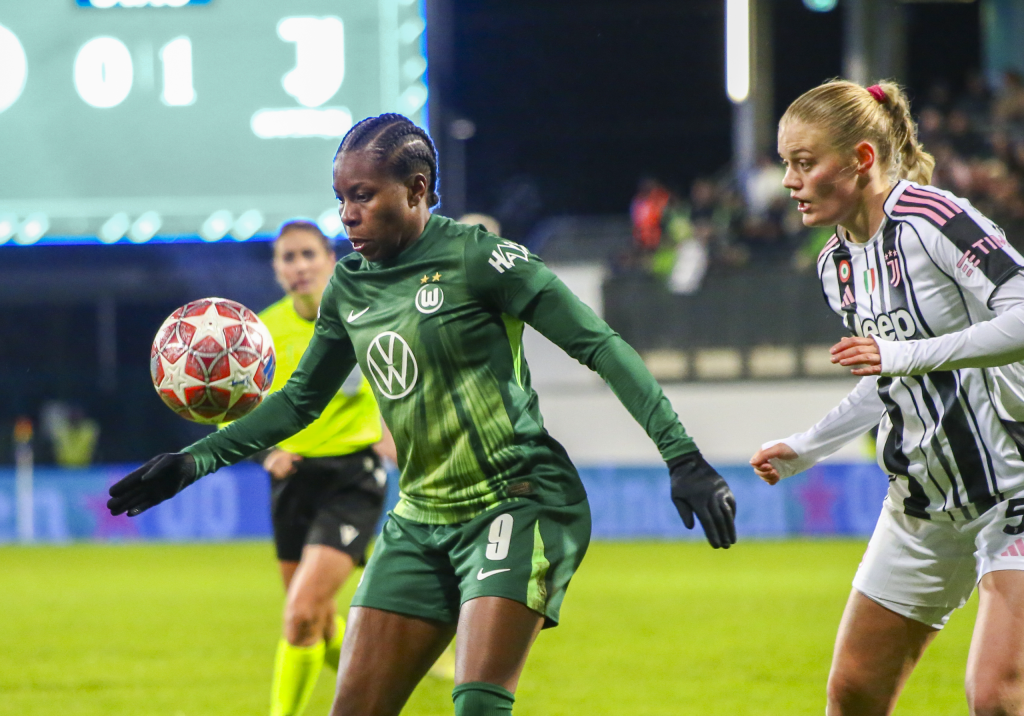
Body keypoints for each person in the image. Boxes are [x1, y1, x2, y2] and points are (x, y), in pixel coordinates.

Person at [108, 113, 737, 716]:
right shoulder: (348, 286)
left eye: (362, 195)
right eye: (340, 198)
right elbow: (300, 401)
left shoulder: (480, 259)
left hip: (515, 503)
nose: (347, 214)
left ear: (416, 190)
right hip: (420, 520)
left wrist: (681, 455)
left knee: (478, 702)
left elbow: (599, 345)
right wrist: (192, 462)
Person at [750, 79, 1024, 716]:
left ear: (862, 158)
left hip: (1013, 489)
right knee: (853, 694)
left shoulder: (934, 219)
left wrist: (905, 354)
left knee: (995, 696)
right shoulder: (835, 264)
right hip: (924, 504)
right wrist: (806, 447)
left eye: (804, 162)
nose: (789, 182)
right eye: (786, 163)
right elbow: (889, 381)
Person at [258, 219, 395, 716]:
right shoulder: (261, 333)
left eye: (308, 255)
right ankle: (383, 690)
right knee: (314, 618)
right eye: (288, 257)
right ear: (277, 269)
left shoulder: (365, 317)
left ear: (330, 260)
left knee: (299, 615)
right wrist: (266, 452)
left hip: (352, 479)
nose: (299, 266)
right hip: (292, 481)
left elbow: (403, 382)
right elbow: (236, 408)